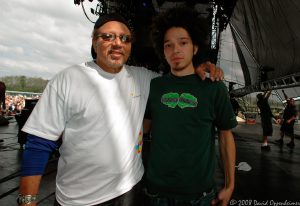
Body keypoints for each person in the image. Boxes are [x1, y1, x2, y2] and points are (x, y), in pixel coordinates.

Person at [18, 13, 224, 206]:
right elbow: (39, 143)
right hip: (76, 199)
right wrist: (27, 200)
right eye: (108, 37)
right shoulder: (68, 79)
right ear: (94, 41)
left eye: (125, 39)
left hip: (129, 191)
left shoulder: (144, 78)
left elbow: (179, 78)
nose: (117, 43)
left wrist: (200, 65)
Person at [143, 7, 237, 206]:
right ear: (163, 51)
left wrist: (230, 186)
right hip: (156, 193)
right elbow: (143, 129)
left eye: (183, 43)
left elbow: (226, 136)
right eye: (168, 45)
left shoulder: (214, 88)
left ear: (195, 48)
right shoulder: (154, 85)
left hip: (199, 196)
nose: (175, 50)